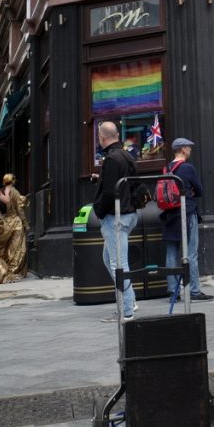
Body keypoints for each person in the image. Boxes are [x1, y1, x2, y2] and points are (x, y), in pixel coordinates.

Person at [92, 121, 138, 321]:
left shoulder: (111, 158)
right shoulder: (127, 154)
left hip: (116, 215)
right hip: (130, 213)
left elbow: (111, 192)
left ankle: (126, 310)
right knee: (108, 258)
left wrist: (99, 211)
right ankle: (131, 301)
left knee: (118, 263)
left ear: (102, 137)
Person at [161, 137, 213, 302]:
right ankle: (194, 291)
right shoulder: (187, 168)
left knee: (171, 253)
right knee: (191, 253)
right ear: (182, 149)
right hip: (187, 212)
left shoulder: (166, 168)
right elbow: (199, 190)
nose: (190, 150)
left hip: (170, 215)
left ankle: (173, 292)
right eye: (189, 148)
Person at [0, 174, 29, 284]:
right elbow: (20, 210)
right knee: (17, 248)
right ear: (13, 181)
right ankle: (12, 270)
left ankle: (2, 267)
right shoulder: (15, 192)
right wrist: (25, 224)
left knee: (5, 247)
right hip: (15, 222)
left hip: (5, 222)